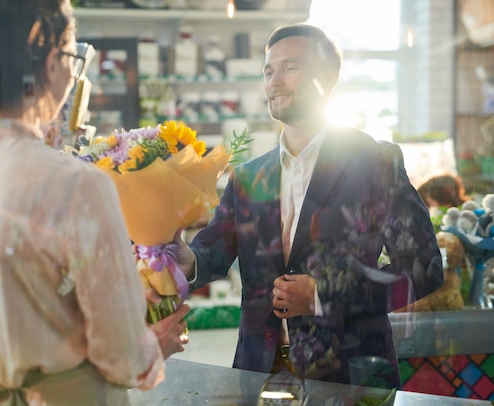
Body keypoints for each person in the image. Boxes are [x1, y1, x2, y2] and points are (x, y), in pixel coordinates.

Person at [0, 1, 189, 406]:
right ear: (49, 62)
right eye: (72, 56)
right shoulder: (76, 185)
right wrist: (155, 345)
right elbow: (119, 354)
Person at [174, 23, 444, 387]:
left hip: (351, 380)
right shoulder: (248, 178)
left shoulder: (374, 163)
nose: (274, 81)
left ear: (328, 79)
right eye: (268, 71)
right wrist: (181, 256)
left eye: (290, 68)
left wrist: (322, 296)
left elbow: (423, 269)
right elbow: (211, 255)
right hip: (259, 377)